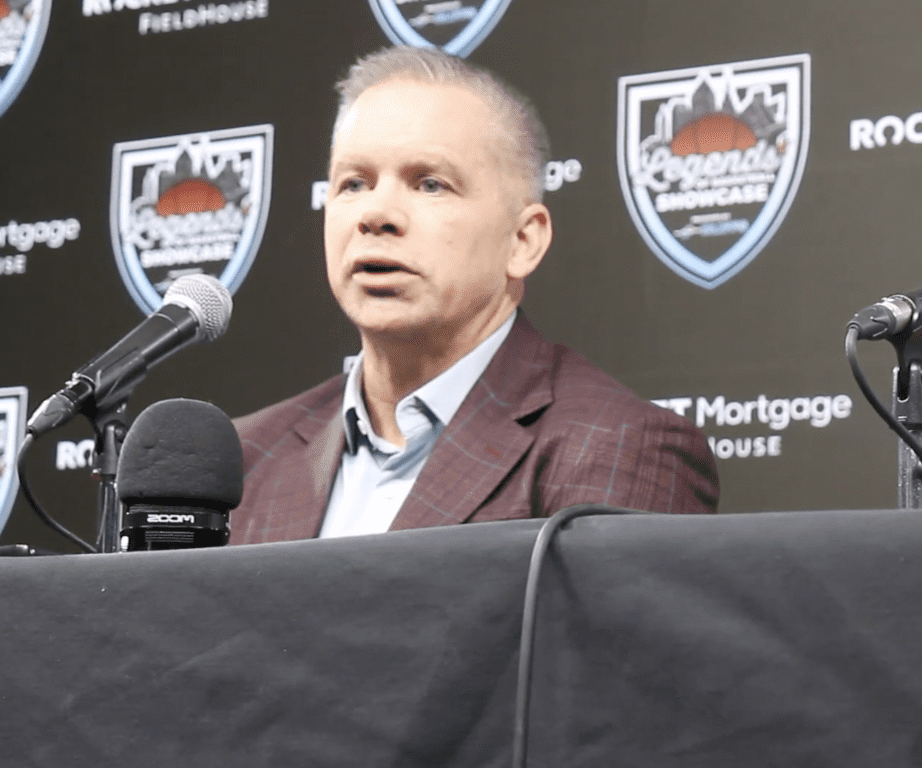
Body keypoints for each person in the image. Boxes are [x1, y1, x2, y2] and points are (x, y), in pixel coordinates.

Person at [230, 46, 718, 544]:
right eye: (354, 183)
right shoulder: (244, 458)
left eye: (430, 185)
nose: (376, 215)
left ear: (522, 241)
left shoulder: (619, 447)